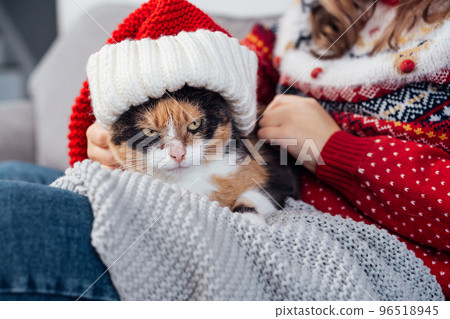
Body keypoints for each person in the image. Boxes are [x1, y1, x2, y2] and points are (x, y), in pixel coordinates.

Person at [1, 0, 448, 300]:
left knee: (13, 211)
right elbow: (224, 90)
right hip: (227, 191)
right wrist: (110, 138)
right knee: (17, 173)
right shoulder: (306, 20)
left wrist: (336, 149)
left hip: (348, 249)